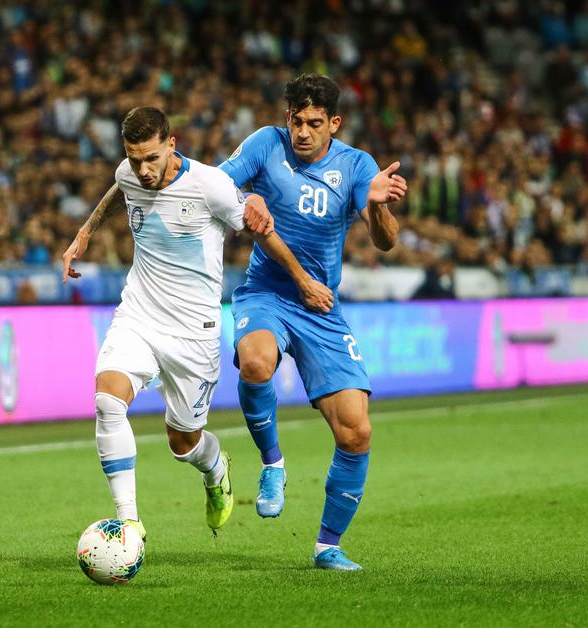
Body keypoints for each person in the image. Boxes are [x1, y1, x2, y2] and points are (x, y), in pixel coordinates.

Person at [61, 106, 329, 539]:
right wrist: (85, 233)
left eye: (151, 158)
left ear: (172, 145)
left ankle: (215, 468)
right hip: (139, 316)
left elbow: (260, 229)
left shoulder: (209, 185)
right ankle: (128, 523)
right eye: (134, 159)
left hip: (193, 333)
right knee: (107, 401)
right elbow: (118, 187)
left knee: (183, 443)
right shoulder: (129, 173)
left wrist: (302, 279)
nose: (143, 170)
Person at [220, 74, 407, 571]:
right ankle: (273, 464)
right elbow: (215, 185)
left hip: (321, 306)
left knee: (356, 432)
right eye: (297, 121)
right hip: (267, 293)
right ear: (287, 118)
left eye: (315, 123)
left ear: (334, 123)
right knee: (255, 362)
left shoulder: (356, 165)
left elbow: (386, 242)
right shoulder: (265, 144)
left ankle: (328, 546)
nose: (303, 132)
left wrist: (377, 207)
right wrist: (244, 199)